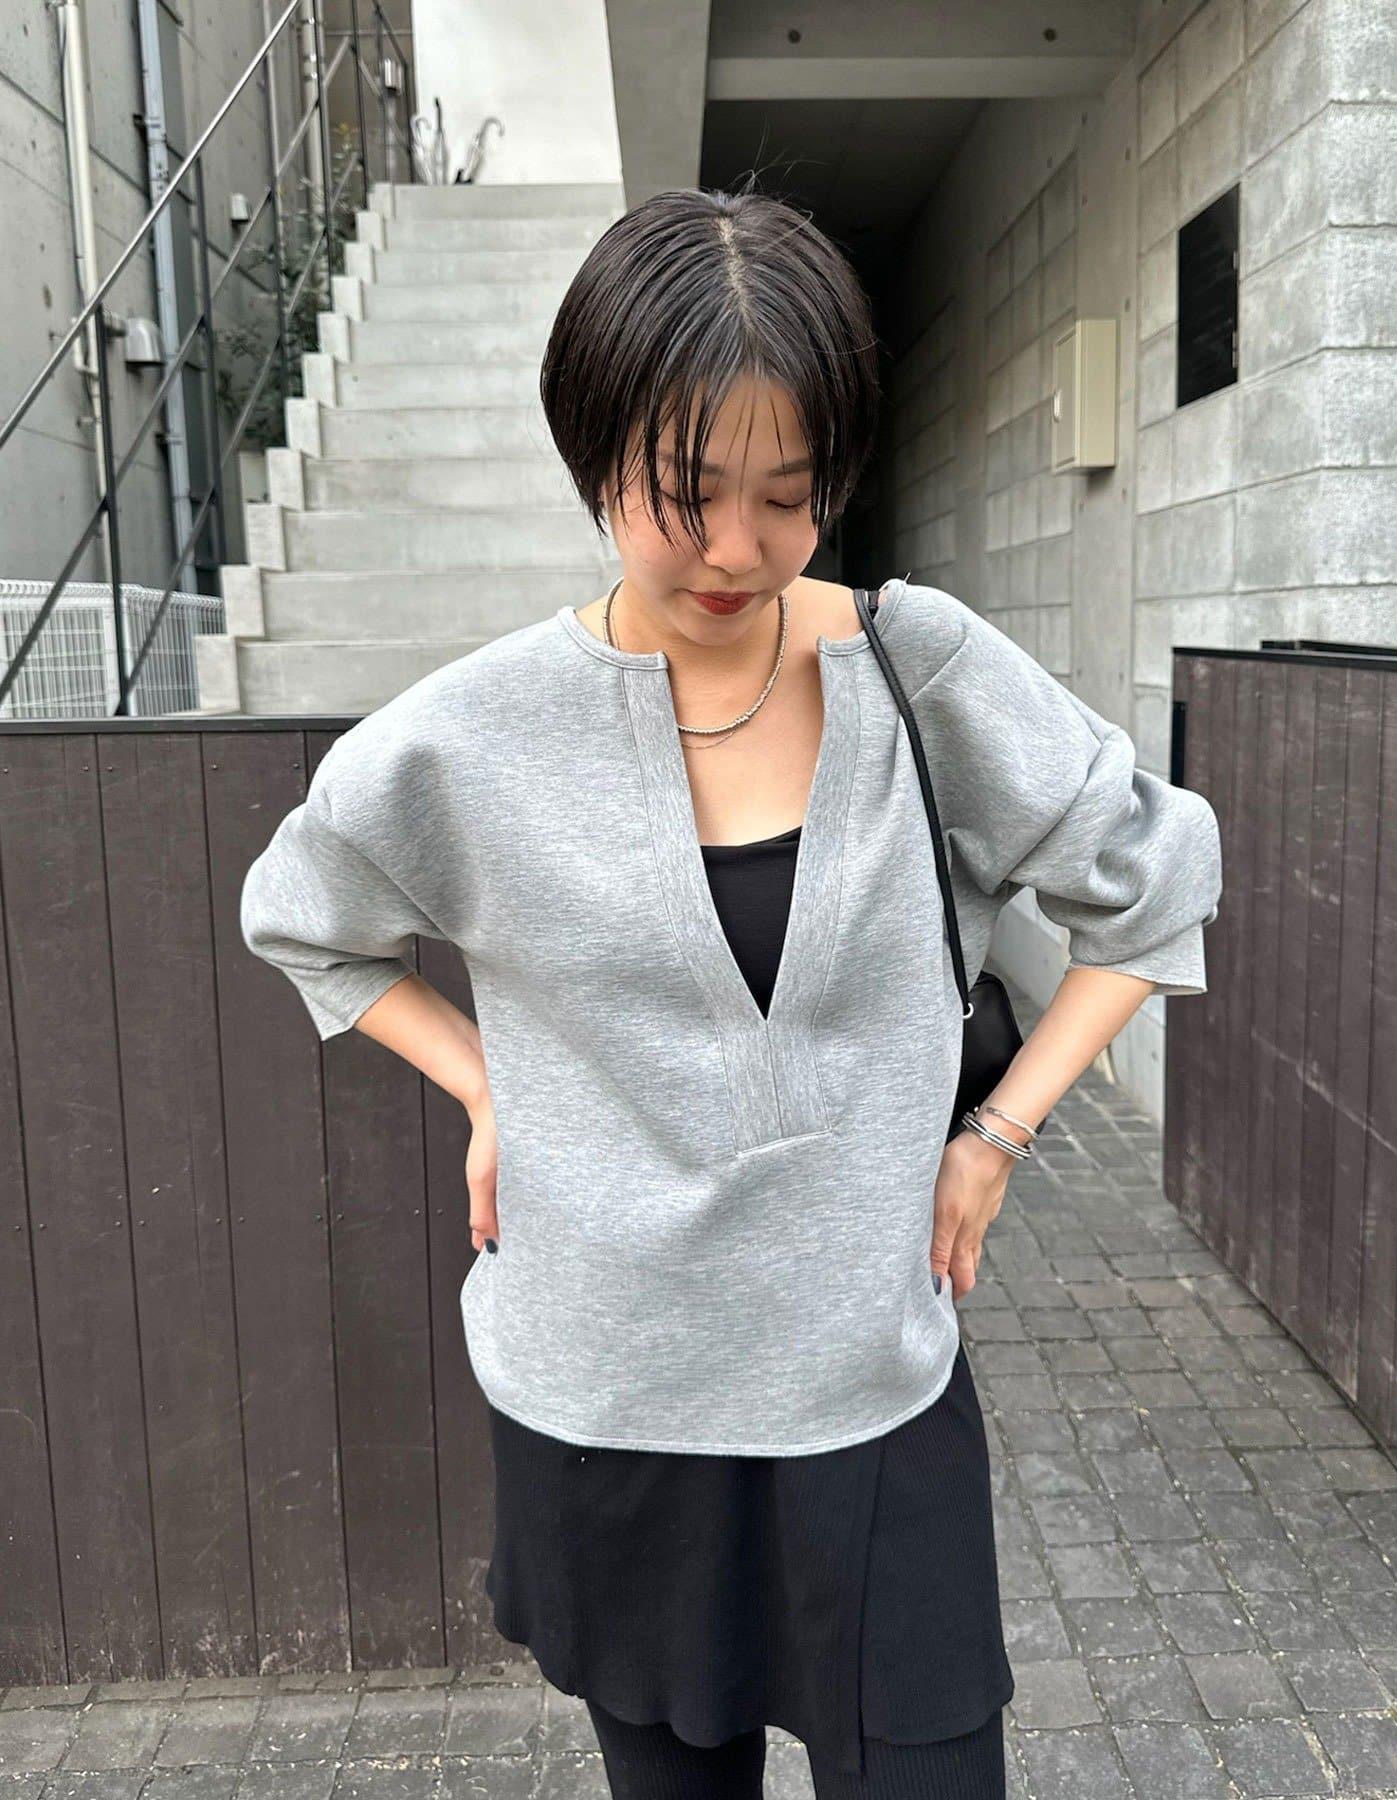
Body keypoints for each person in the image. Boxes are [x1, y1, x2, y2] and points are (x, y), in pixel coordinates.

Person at [239, 181, 1223, 1798]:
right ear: (594, 455)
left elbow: (1154, 879)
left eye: (788, 494)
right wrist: (490, 1084)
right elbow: (305, 921)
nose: (735, 549)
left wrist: (996, 1138)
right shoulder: (472, 736)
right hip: (611, 1395)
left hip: (872, 1384)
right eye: (684, 492)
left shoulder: (919, 670)